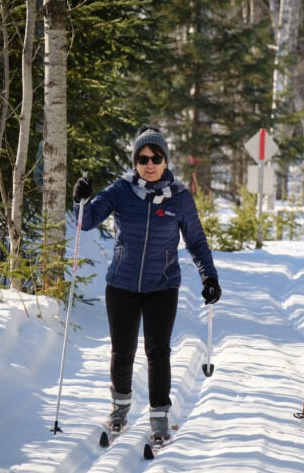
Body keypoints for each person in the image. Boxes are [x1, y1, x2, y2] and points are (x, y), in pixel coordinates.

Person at [73, 126, 221, 445]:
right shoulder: (121, 190)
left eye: (155, 157)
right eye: (142, 158)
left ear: (165, 160)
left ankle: (159, 417)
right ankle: (119, 410)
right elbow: (86, 221)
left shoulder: (180, 198)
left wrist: (209, 276)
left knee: (158, 352)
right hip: (122, 284)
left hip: (162, 285)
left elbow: (196, 241)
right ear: (135, 162)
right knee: (122, 351)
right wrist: (81, 199)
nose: (149, 164)